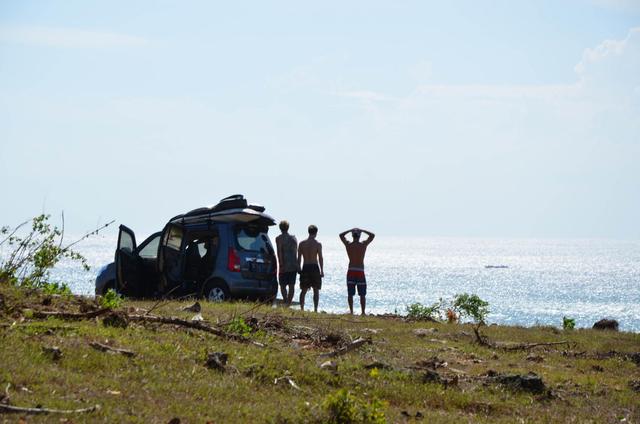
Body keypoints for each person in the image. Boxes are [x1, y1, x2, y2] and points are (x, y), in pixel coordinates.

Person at [339, 227, 375, 315]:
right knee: (362, 294)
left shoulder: (348, 245)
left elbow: (341, 235)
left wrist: (350, 230)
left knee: (350, 293)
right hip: (360, 270)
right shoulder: (363, 245)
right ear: (359, 236)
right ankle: (363, 312)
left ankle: (351, 311)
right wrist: (362, 230)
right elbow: (372, 235)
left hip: (351, 270)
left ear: (352, 236)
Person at [298, 224, 324, 312]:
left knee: (303, 290)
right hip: (314, 266)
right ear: (316, 233)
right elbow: (320, 258)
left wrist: (299, 268)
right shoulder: (317, 244)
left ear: (308, 232)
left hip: (305, 266)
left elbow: (299, 258)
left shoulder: (302, 244)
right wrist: (322, 270)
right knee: (316, 289)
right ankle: (315, 309)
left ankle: (301, 308)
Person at [275, 220, 298, 306]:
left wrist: (281, 264)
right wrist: (297, 264)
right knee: (291, 285)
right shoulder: (293, 238)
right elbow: (296, 251)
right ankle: (288, 302)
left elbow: (279, 252)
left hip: (284, 264)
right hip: (293, 264)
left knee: (282, 284)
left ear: (280, 228)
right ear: (288, 227)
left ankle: (285, 300)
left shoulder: (279, 239)